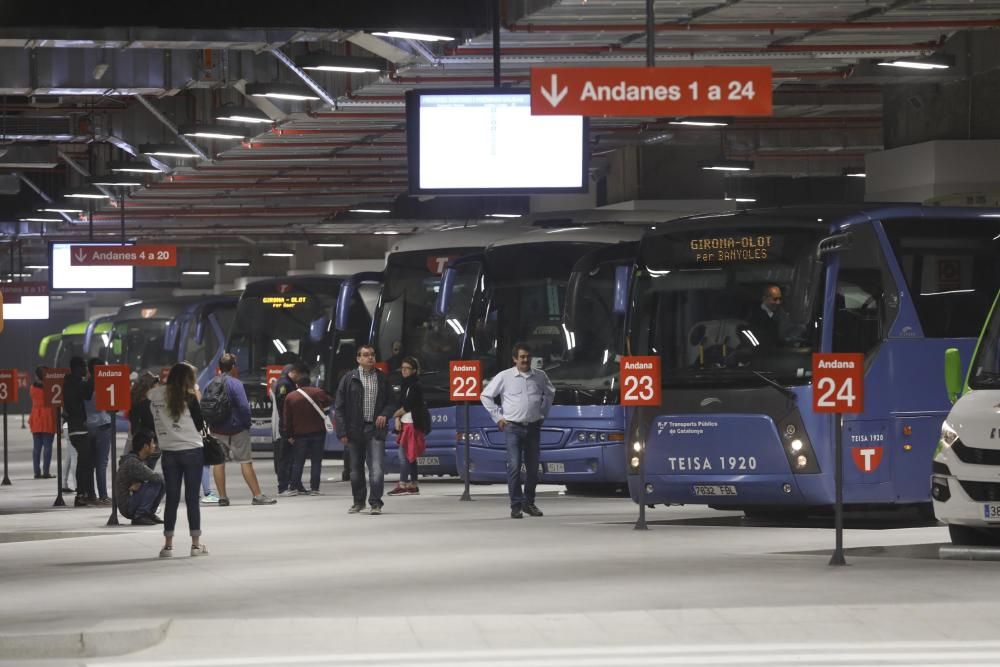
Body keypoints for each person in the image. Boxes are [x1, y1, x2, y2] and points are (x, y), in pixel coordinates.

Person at [132, 362, 208, 557]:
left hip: (169, 452)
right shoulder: (189, 397)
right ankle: (196, 545)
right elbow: (200, 424)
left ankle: (167, 546)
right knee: (192, 499)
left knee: (172, 499)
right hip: (192, 450)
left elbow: (142, 409)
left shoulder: (155, 395)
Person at [480, 342, 555, 519]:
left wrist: (543, 413)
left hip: (533, 427)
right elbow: (485, 395)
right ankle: (515, 505)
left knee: (532, 469)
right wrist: (498, 417)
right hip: (512, 427)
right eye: (521, 357)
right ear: (514, 359)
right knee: (513, 466)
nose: (525, 360)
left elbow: (550, 393)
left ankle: (529, 503)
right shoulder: (504, 377)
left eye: (527, 356)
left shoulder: (540, 376)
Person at [206, 353, 276, 506]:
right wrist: (246, 424)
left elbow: (205, 406)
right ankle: (257, 496)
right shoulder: (236, 384)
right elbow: (244, 407)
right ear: (233, 367)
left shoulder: (210, 383)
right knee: (246, 462)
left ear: (219, 367)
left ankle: (223, 498)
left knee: (218, 463)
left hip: (216, 430)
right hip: (236, 429)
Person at [334, 345, 394, 515]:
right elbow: (339, 407)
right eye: (366, 355)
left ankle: (375, 503)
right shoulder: (348, 379)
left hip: (375, 429)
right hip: (354, 430)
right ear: (358, 359)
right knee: (355, 469)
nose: (370, 358)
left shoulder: (382, 378)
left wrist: (385, 414)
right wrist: (342, 432)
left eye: (373, 355)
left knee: (377, 467)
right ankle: (358, 502)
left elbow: (392, 401)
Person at [283, 374, 332, 496]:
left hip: (300, 434)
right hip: (318, 432)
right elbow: (329, 401)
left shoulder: (291, 397)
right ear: (310, 383)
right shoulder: (318, 392)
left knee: (298, 461)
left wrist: (289, 434)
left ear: (297, 385)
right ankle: (315, 488)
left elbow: (287, 419)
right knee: (316, 461)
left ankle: (294, 487)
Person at [388, 357, 428, 496]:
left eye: (407, 368)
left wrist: (394, 415)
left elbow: (407, 405)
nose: (404, 370)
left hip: (412, 423)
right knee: (410, 456)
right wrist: (398, 418)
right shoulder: (405, 384)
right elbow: (402, 404)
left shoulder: (415, 386)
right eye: (402, 368)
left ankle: (403, 484)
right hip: (406, 422)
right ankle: (413, 484)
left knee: (404, 455)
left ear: (414, 371)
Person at [63, 356, 96, 507]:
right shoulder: (74, 383)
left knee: (85, 462)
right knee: (84, 463)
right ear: (76, 368)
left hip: (76, 427)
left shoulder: (70, 382)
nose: (85, 370)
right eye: (83, 367)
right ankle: (81, 495)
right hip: (78, 429)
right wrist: (93, 377)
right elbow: (88, 394)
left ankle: (83, 494)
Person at [114, 429, 165, 526]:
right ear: (145, 446)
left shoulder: (137, 459)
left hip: (132, 500)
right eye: (153, 443)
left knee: (159, 481)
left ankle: (149, 513)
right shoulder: (133, 462)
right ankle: (140, 516)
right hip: (128, 505)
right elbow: (155, 477)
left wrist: (140, 483)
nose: (155, 446)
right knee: (158, 482)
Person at [272, 362, 305, 495]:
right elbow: (284, 407)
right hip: (287, 426)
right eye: (298, 374)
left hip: (289, 425)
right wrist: (288, 429)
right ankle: (283, 486)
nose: (299, 377)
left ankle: (295, 484)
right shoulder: (285, 384)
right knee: (285, 457)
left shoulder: (287, 383)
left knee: (291, 457)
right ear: (293, 372)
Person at [86, 358, 113, 505]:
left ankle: (91, 495)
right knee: (101, 464)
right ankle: (103, 495)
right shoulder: (105, 384)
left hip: (88, 426)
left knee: (90, 463)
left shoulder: (83, 385)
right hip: (103, 424)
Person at [29, 366, 56, 479]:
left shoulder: (32, 388)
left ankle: (36, 472)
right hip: (48, 416)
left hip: (36, 416)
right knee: (48, 446)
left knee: (36, 447)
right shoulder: (50, 388)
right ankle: (46, 471)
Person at [748, 284, 784, 349]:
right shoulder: (757, 317)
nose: (778, 302)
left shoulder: (778, 314)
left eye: (780, 299)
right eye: (775, 299)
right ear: (764, 299)